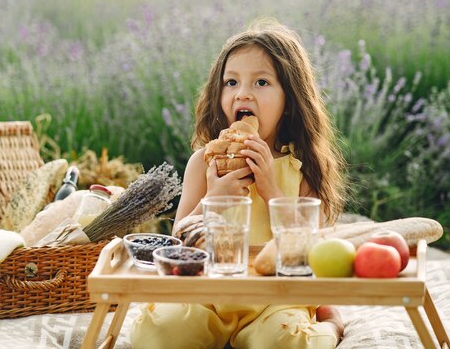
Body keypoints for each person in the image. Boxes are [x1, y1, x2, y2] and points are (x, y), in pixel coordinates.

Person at [130, 19, 347, 349]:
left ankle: (331, 325)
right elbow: (177, 245)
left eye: (261, 82)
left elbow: (309, 253)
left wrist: (272, 189)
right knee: (159, 333)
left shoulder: (302, 168)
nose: (242, 92)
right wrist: (212, 200)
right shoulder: (204, 163)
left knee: (287, 341)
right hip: (208, 297)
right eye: (231, 82)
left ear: (290, 101)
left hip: (274, 301)